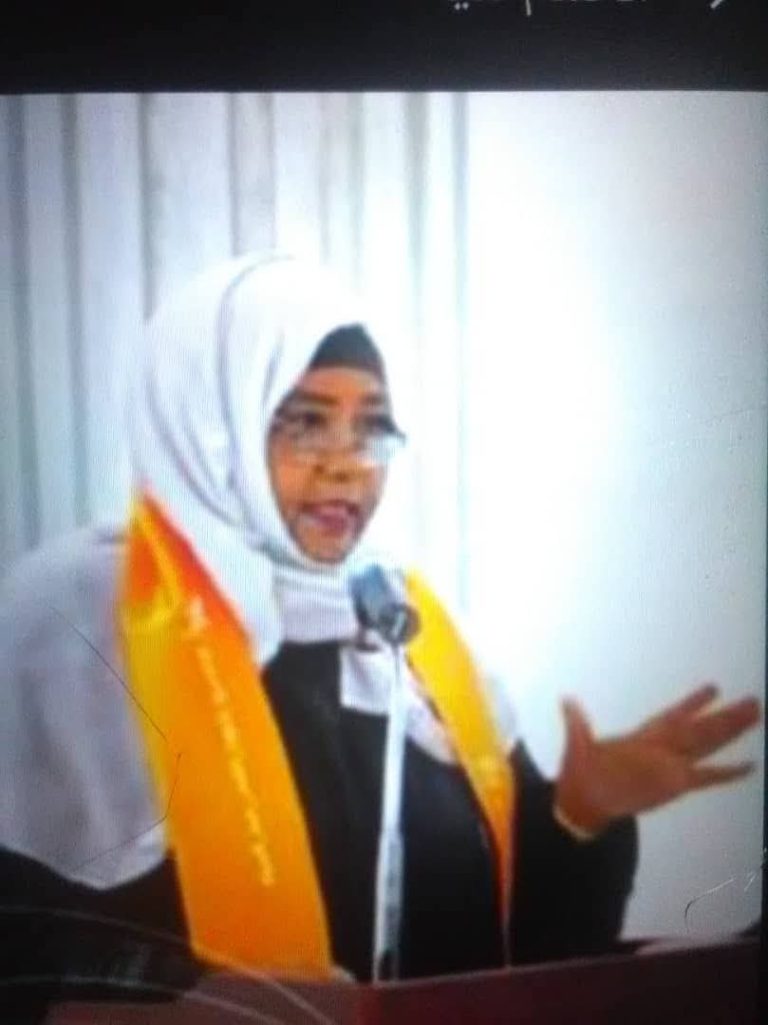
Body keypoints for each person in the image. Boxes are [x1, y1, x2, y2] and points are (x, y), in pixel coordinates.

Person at [0, 254, 760, 1009]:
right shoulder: (76, 622)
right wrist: (193, 997)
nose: (348, 467)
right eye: (305, 424)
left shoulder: (406, 633)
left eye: (371, 429)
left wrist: (577, 815)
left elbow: (516, 953)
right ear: (211, 426)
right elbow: (25, 938)